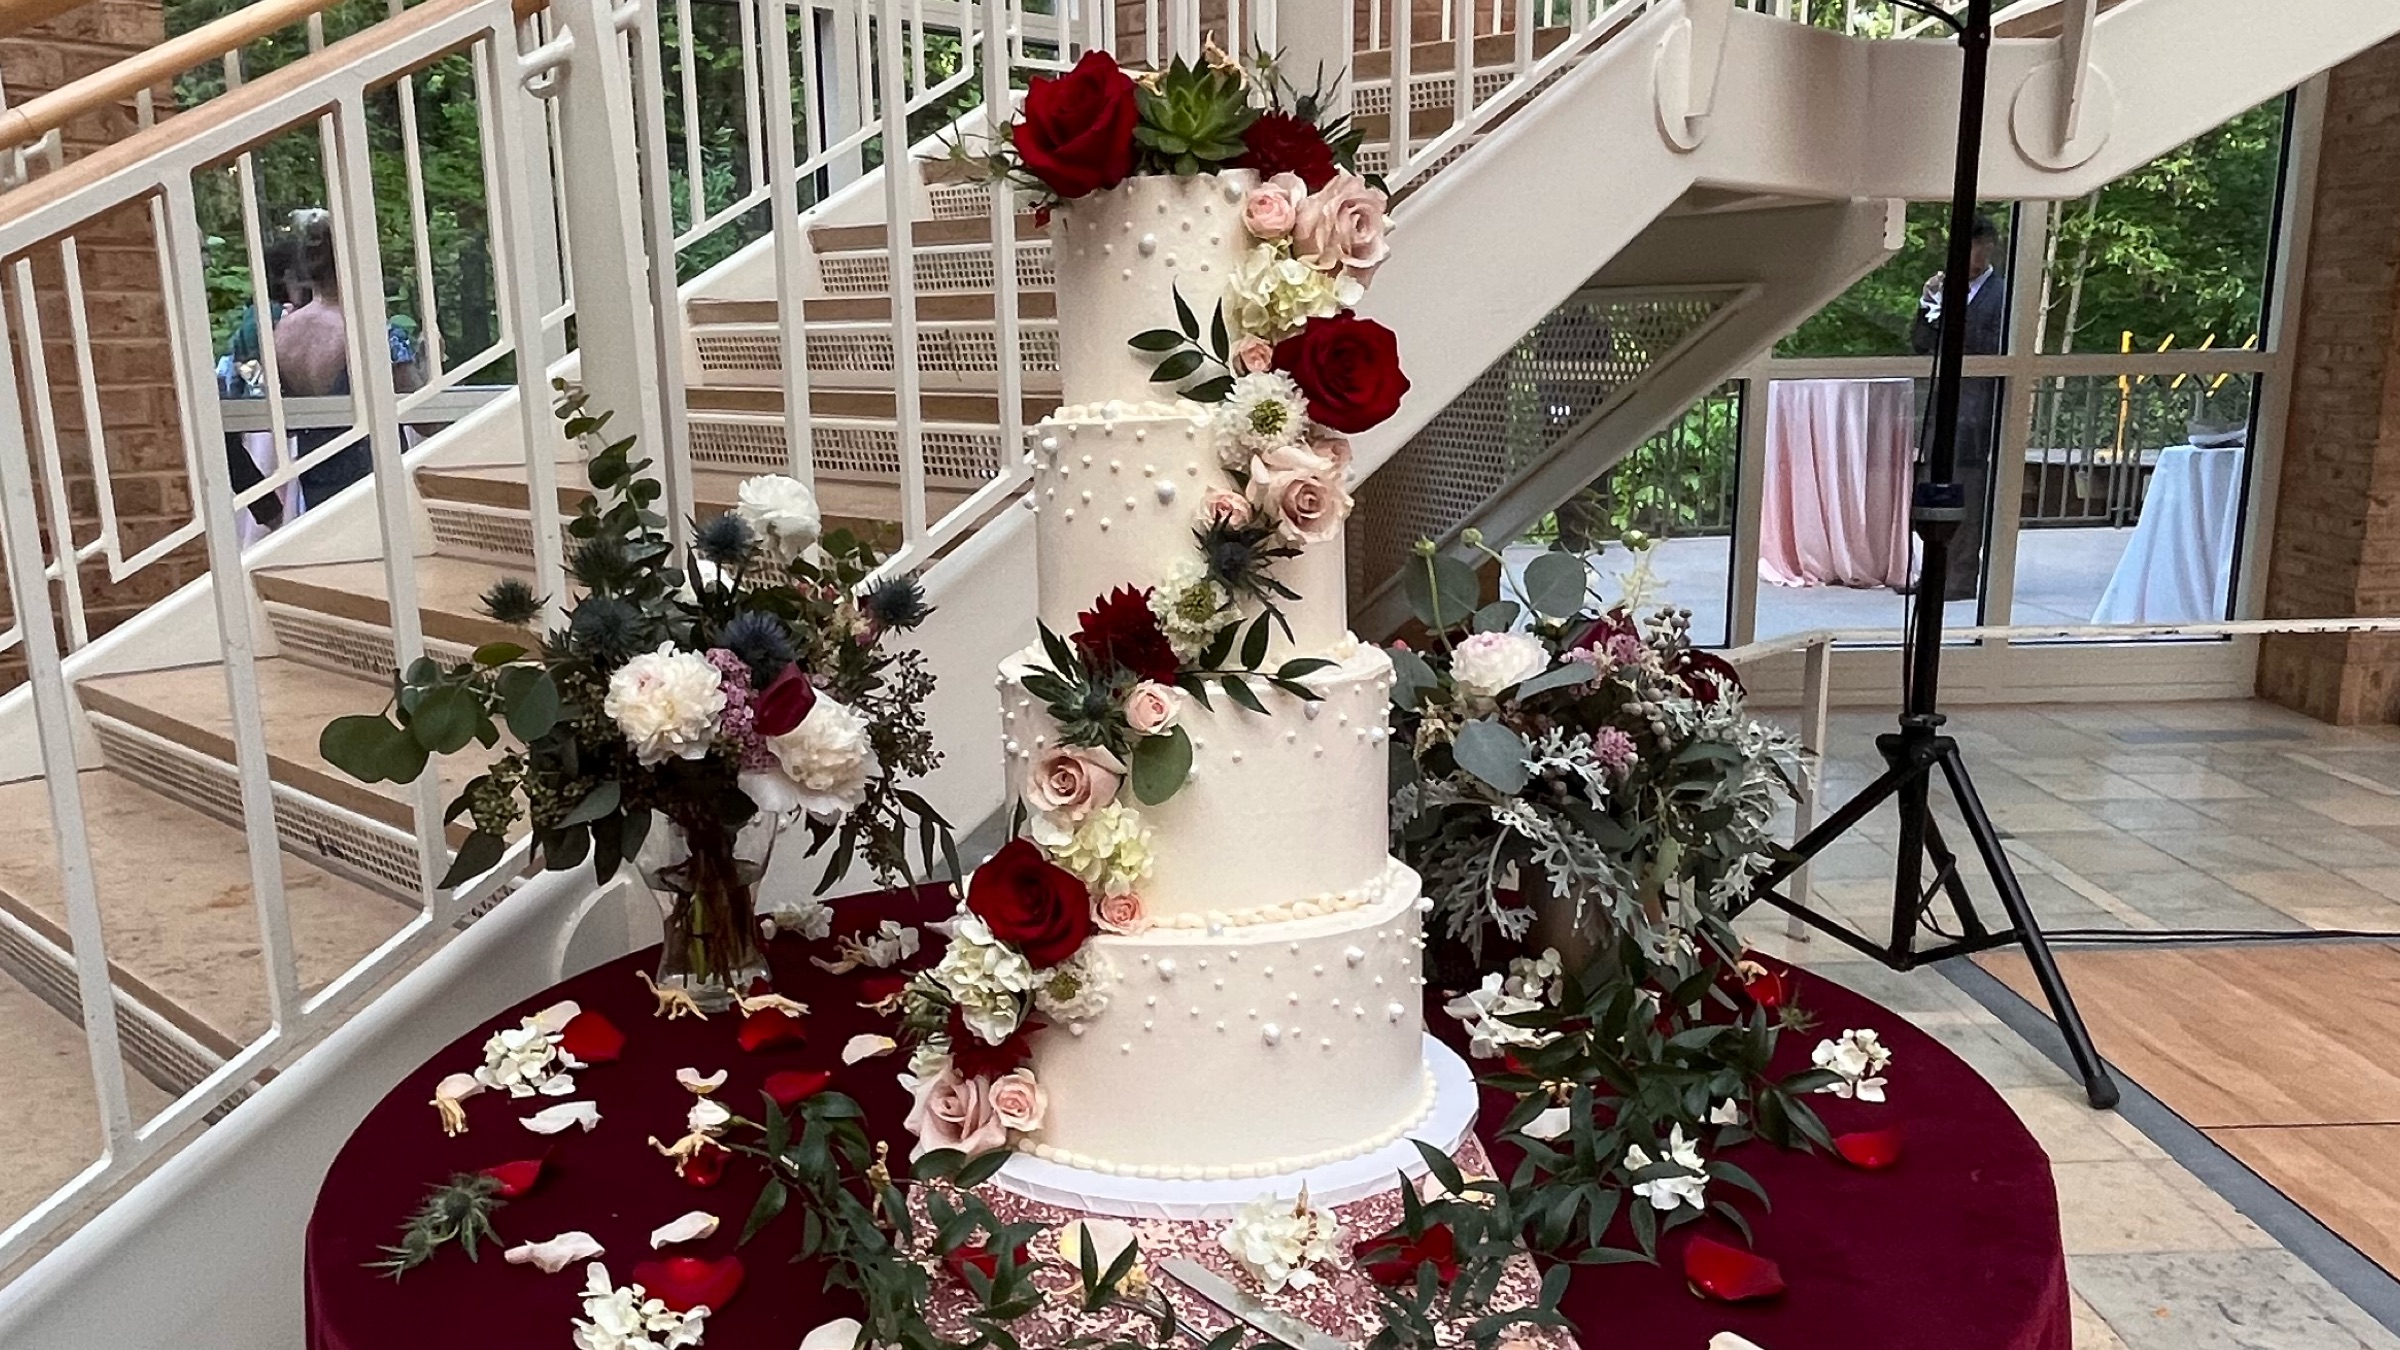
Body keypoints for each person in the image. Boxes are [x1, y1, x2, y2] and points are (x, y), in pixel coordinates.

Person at [272, 210, 423, 511]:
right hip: (376, 483)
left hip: (315, 479)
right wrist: (426, 363)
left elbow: (283, 418)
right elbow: (428, 419)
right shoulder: (372, 331)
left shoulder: (283, 331)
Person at [1909, 212, 2005, 602]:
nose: (1967, 256)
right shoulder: (1942, 289)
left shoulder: (2002, 294)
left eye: (1975, 247)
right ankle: (1933, 571)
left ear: (1987, 248)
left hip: (1975, 409)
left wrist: (1952, 318)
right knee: (1931, 489)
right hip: (1939, 408)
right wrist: (1928, 305)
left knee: (1967, 490)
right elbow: (1919, 342)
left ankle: (1962, 575)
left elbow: (1991, 346)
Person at [216, 234, 301, 528]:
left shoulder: (252, 317)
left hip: (253, 430)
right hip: (282, 430)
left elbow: (237, 378)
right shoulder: (282, 317)